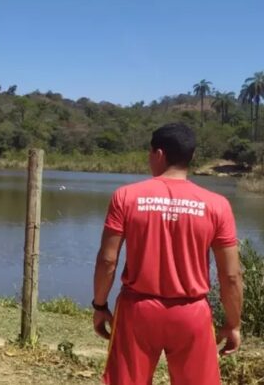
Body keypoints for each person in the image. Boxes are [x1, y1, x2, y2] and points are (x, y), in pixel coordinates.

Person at [92, 123, 244, 385]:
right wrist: (233, 323)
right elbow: (230, 275)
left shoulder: (126, 197)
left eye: (150, 153)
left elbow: (108, 260)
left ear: (158, 154)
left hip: (137, 311)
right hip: (192, 313)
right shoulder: (217, 205)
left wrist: (100, 305)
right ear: (191, 157)